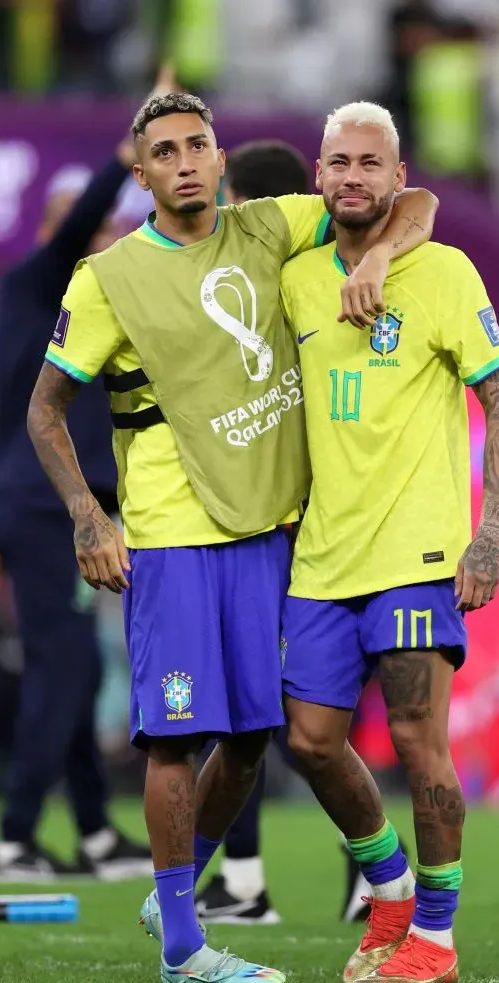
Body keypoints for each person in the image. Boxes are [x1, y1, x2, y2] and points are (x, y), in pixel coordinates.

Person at [26, 91, 438, 983]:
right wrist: (90, 521)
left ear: (221, 160)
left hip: (266, 533)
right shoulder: (108, 279)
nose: (183, 161)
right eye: (164, 150)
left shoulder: (268, 228)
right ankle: (183, 944)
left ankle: (175, 897)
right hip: (172, 540)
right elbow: (44, 408)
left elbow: (416, 205)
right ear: (141, 176)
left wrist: (378, 261)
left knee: (254, 736)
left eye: (197, 145)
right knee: (176, 739)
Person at [278, 101, 499, 983]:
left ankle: (437, 936)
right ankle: (389, 884)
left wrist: (487, 533)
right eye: (337, 162)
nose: (352, 177)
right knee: (308, 741)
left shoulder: (447, 273)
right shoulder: (293, 279)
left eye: (369, 164)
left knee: (420, 739)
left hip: (418, 552)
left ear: (397, 176)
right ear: (318, 174)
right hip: (322, 557)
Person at [0, 72, 183, 881]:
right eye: (90, 223)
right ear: (58, 225)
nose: (104, 233)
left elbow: (7, 424)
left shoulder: (95, 309)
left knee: (73, 664)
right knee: (69, 665)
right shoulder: (33, 282)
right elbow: (80, 225)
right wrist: (129, 156)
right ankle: (15, 838)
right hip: (47, 507)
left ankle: (90, 831)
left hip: (41, 506)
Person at [199, 138, 388, 927]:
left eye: (232, 198)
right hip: (315, 526)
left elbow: (416, 205)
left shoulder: (299, 283)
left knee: (265, 710)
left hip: (291, 532)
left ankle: (251, 882)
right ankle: (290, 876)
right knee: (293, 714)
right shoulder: (287, 286)